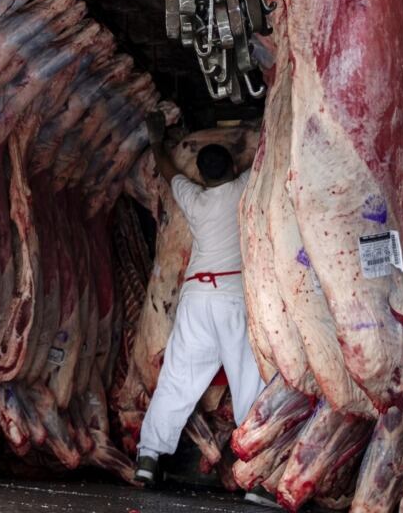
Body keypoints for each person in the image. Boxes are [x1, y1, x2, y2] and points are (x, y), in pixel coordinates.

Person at [133, 112, 276, 508]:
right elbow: (265, 154)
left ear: (200, 173)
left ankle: (148, 457)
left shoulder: (193, 199)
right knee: (250, 383)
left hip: (196, 297)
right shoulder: (244, 188)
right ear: (231, 168)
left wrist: (158, 139)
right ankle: (258, 477)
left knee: (178, 380)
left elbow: (165, 170)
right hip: (232, 292)